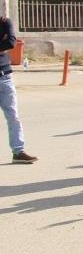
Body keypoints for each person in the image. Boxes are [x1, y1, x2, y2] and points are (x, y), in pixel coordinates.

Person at [1, 10, 35, 163]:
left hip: (5, 77)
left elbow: (11, 42)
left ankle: (18, 152)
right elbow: (5, 43)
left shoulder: (5, 22)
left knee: (13, 116)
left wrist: (5, 44)